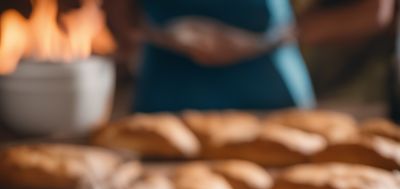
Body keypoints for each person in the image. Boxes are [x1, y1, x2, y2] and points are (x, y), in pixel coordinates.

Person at [105, 0, 395, 113]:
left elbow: (374, 11)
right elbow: (118, 12)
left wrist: (270, 39)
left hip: (267, 95)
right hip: (166, 99)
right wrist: (159, 36)